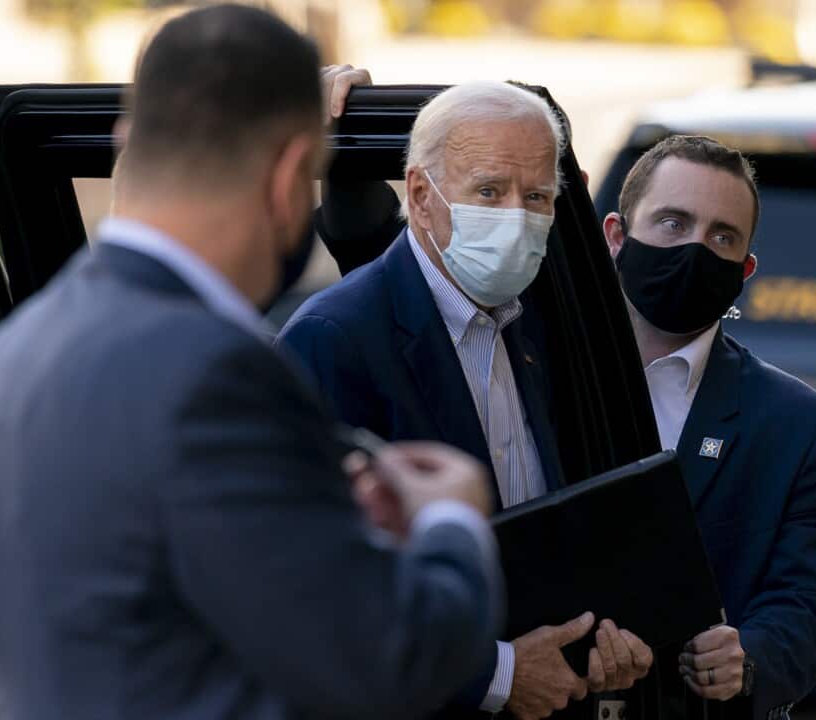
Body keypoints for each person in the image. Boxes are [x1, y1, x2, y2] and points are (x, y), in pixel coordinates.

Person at [0, 6, 503, 720]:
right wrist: (450, 522)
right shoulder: (216, 371)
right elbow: (393, 660)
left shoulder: (14, 346)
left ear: (127, 142)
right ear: (288, 177)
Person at [278, 79, 652, 720]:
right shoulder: (332, 339)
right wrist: (497, 674)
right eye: (488, 191)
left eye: (536, 196)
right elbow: (305, 591)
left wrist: (598, 633)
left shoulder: (535, 324)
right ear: (421, 196)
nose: (515, 216)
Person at [600, 135, 816, 720]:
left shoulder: (801, 428)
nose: (695, 248)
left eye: (721, 236)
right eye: (672, 222)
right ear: (617, 235)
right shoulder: (530, 373)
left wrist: (749, 658)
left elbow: (809, 603)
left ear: (745, 269)